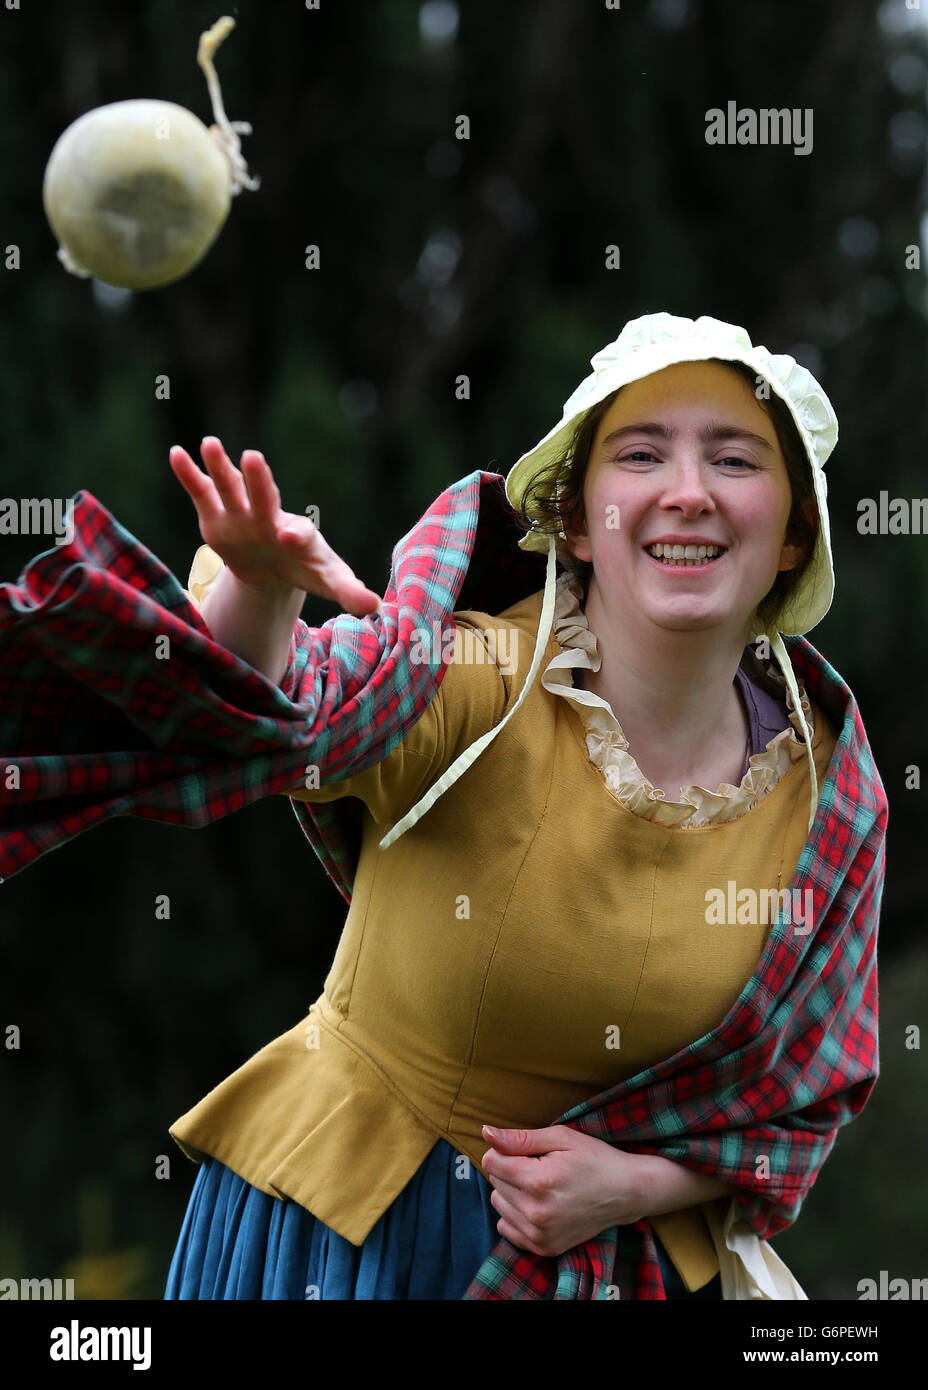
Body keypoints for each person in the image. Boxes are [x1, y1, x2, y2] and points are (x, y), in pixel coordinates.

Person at [155, 312, 885, 1300]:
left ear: (794, 532)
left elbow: (801, 1106)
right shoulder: (481, 672)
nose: (687, 493)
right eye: (639, 454)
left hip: (622, 1265)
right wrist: (260, 586)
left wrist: (634, 1184)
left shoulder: (826, 795)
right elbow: (293, 711)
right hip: (349, 1235)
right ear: (578, 520)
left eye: (735, 459)